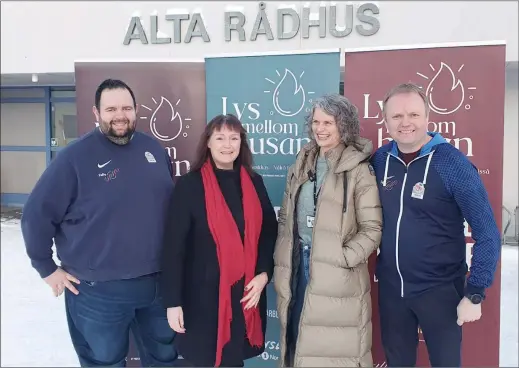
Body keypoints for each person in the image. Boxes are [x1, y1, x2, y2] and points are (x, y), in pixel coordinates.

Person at [20, 79, 179, 367]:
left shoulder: (153, 150)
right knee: (104, 362)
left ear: (137, 110)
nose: (120, 115)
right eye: (111, 109)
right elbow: (36, 215)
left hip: (158, 286)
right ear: (96, 113)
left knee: (164, 358)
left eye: (126, 108)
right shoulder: (74, 158)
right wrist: (46, 268)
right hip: (97, 292)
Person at [370, 82, 501, 367]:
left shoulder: (451, 163)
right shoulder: (379, 161)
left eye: (414, 115)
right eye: (397, 116)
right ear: (386, 120)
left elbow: (488, 233)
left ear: (428, 116)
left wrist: (475, 292)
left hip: (440, 291)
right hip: (392, 290)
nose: (405, 123)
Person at [160, 114, 278, 367]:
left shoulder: (255, 182)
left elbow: (269, 232)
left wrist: (264, 274)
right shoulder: (189, 186)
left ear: (241, 143)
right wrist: (172, 302)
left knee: (234, 360)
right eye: (220, 137)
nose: (227, 144)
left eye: (234, 138)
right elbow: (173, 248)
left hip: (246, 295)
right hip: (201, 301)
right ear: (208, 143)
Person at [273, 94, 383, 367]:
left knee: (333, 349)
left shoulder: (358, 169)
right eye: (315, 122)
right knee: (298, 340)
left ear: (343, 125)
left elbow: (372, 228)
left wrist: (343, 257)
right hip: (298, 265)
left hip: (338, 273)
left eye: (328, 123)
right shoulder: (302, 161)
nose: (319, 128)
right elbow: (287, 213)